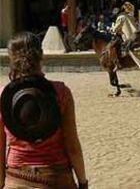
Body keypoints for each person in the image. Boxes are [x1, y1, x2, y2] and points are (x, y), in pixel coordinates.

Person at [0, 32, 88, 188]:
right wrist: (82, 182)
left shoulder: (3, 96)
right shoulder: (61, 92)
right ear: (40, 56)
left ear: (12, 60)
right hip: (55, 177)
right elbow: (72, 146)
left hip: (16, 177)